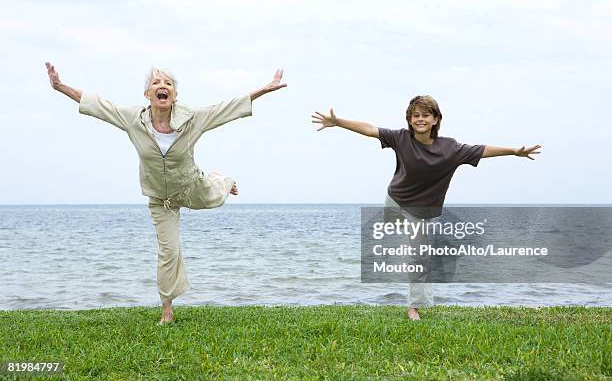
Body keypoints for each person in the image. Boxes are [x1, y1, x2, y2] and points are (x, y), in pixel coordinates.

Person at [45, 62, 286, 324]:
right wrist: (59, 86)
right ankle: (167, 312)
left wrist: (264, 89)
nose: (162, 86)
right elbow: (99, 106)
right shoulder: (132, 118)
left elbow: (225, 109)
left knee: (217, 198)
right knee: (168, 253)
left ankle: (222, 179)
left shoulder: (192, 118)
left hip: (191, 186)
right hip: (162, 200)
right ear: (147, 93)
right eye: (156, 83)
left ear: (175, 94)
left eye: (168, 83)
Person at [311, 95, 541, 320]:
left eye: (425, 115)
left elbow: (482, 150)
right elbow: (370, 129)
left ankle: (414, 307)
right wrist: (338, 122)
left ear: (436, 119)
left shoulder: (451, 148)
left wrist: (514, 151)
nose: (420, 119)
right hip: (394, 201)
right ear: (409, 120)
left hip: (421, 213)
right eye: (415, 115)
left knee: (419, 256)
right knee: (398, 249)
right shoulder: (400, 138)